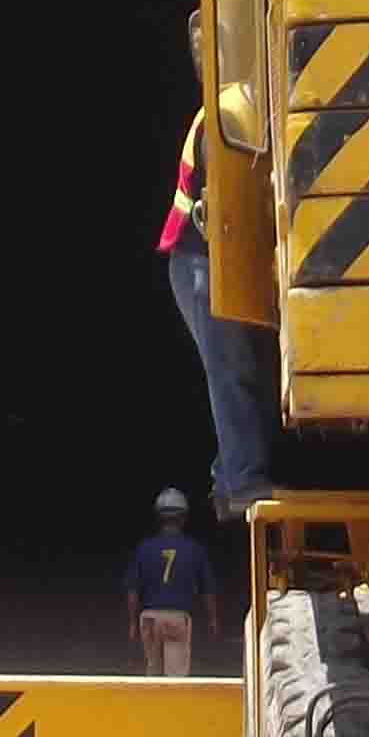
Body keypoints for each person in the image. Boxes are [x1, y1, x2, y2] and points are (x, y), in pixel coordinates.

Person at [158, 108, 279, 518]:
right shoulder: (229, 110)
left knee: (246, 370)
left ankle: (229, 476)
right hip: (202, 261)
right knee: (232, 370)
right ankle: (243, 478)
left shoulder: (233, 106)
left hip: (210, 260)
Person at [125, 486, 219, 675]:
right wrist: (213, 619)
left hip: (149, 617)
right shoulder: (194, 549)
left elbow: (133, 590)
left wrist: (133, 622)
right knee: (175, 678)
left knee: (153, 672)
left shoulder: (144, 548)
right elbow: (208, 590)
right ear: (184, 517)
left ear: (158, 517)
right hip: (178, 617)